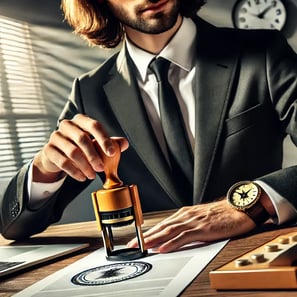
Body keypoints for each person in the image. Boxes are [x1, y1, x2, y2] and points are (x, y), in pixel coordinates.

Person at [1, 0, 297, 253]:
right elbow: (15, 227)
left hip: (258, 252)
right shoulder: (89, 92)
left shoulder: (263, 52)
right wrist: (44, 166)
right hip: (158, 269)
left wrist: (252, 203)